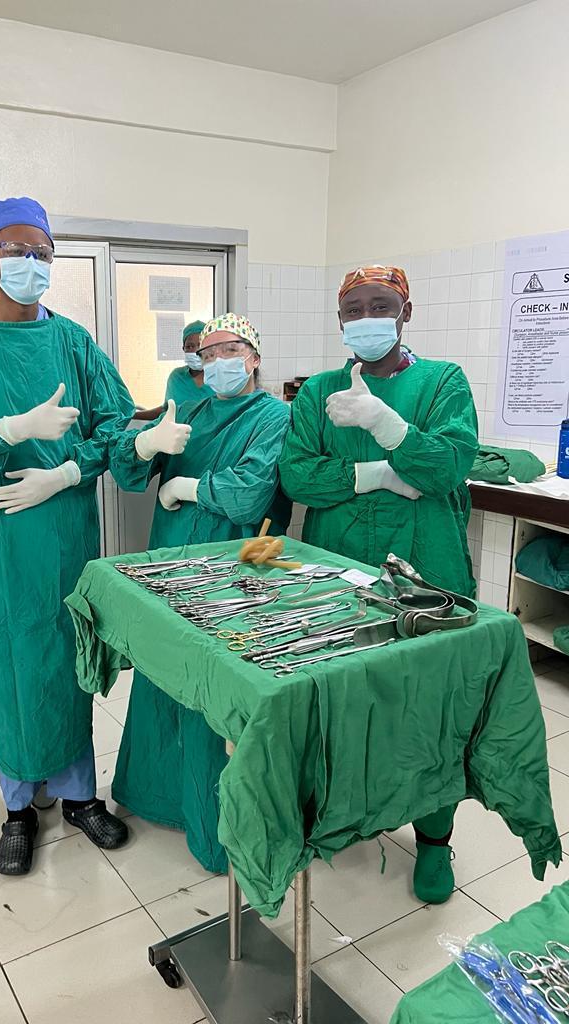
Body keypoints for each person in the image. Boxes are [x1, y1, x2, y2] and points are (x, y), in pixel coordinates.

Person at [0, 197, 134, 875]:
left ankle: (79, 796)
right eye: (15, 251)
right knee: (7, 662)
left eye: (41, 252)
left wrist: (66, 471)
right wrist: (8, 430)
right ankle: (16, 809)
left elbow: (116, 424)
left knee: (65, 659)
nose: (30, 263)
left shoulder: (73, 343)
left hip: (62, 534)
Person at [278, 265, 479, 905]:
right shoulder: (319, 392)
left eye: (381, 305)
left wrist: (388, 426)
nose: (367, 318)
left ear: (405, 312)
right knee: (345, 700)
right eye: (354, 309)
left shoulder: (442, 382)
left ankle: (435, 838)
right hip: (340, 568)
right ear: (340, 320)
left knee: (430, 708)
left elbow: (448, 466)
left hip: (428, 566)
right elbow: (297, 476)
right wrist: (377, 473)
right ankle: (348, 809)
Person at [109, 313, 291, 872]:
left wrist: (186, 486)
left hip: (232, 570)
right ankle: (153, 794)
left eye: (228, 350)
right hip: (170, 562)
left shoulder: (274, 416)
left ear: (253, 357)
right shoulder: (187, 413)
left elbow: (249, 494)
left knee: (216, 690)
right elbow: (126, 473)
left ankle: (215, 825)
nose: (216, 363)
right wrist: (145, 444)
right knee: (164, 673)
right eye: (206, 355)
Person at [133, 320, 214, 421]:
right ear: (183, 349)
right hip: (178, 430)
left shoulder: (218, 377)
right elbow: (167, 410)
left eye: (200, 345)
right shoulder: (177, 377)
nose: (195, 351)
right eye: (189, 346)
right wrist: (132, 415)